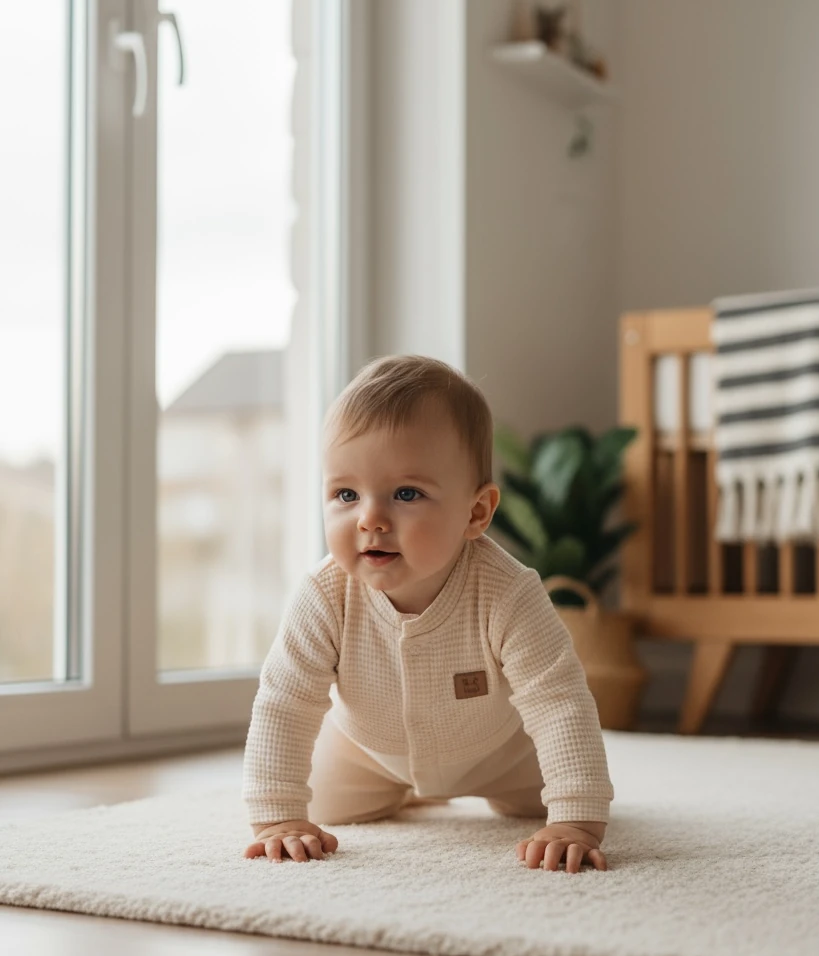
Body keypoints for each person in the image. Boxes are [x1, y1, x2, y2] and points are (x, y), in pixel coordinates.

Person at [242, 356, 614, 874]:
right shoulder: (324, 595)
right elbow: (285, 701)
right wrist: (277, 816)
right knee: (321, 810)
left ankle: (534, 799)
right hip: (365, 752)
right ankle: (396, 792)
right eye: (346, 494)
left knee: (546, 804)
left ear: (476, 512)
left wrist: (576, 818)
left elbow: (559, 701)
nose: (370, 518)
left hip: (502, 754)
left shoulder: (508, 593)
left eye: (406, 494)